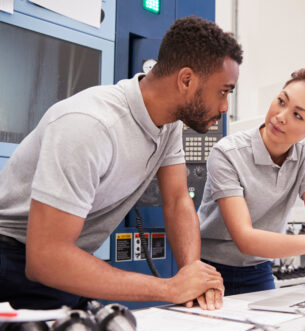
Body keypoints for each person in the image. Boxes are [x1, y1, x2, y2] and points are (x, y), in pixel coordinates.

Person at [0, 16, 243, 310]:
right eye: (223, 91)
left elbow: (178, 199)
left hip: (64, 259)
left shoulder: (168, 125)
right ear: (186, 80)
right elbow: (46, 260)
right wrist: (169, 287)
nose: (224, 107)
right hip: (12, 259)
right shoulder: (90, 126)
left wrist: (192, 277)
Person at [197, 68, 305, 296]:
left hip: (259, 269)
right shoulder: (227, 153)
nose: (281, 116)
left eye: (298, 115)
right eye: (281, 101)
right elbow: (245, 238)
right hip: (210, 269)